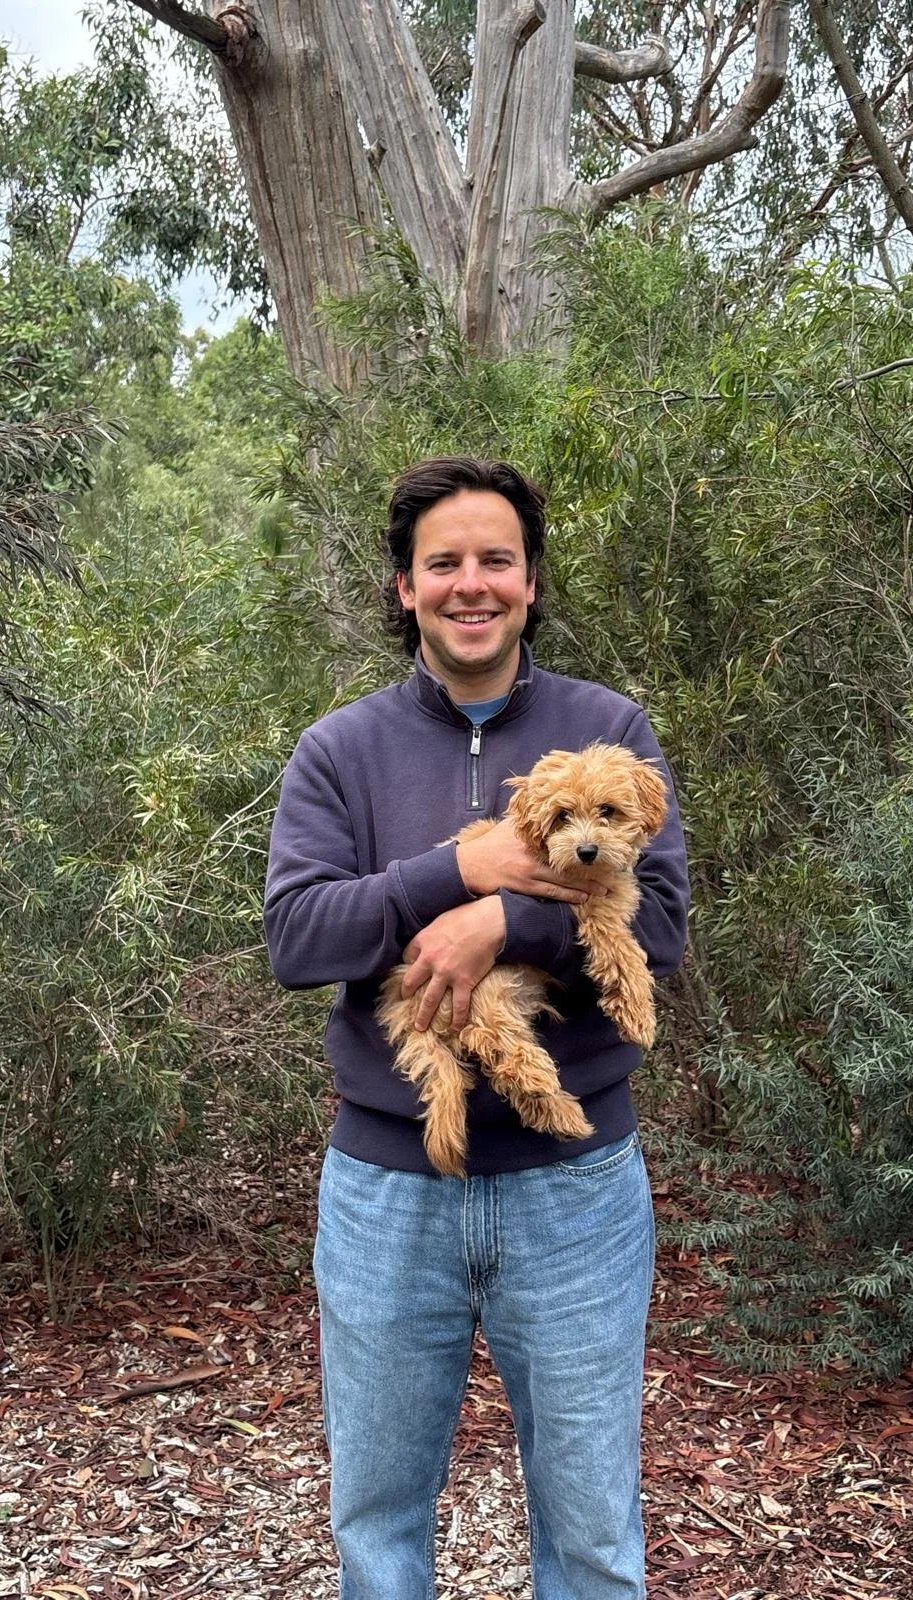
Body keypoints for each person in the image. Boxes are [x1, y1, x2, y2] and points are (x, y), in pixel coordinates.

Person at [264, 457, 690, 1599]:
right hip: (387, 1189)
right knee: (380, 1527)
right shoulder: (339, 752)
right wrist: (451, 871)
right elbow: (300, 939)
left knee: (593, 1533)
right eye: (442, 562)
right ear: (404, 586)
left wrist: (505, 915)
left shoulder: (610, 728)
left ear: (532, 581)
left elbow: (663, 934)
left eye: (494, 560)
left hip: (577, 1188)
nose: (471, 584)